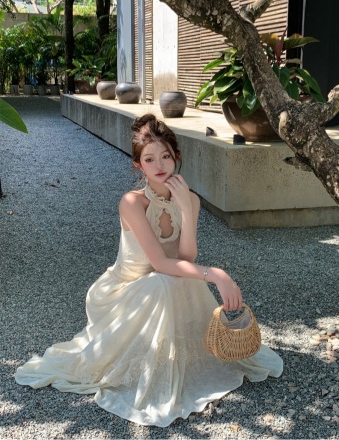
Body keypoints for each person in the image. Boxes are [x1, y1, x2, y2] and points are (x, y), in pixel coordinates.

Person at [15, 113, 283, 427]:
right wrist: (217, 274)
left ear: (177, 158)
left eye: (166, 156)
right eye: (149, 159)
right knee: (171, 279)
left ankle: (182, 358)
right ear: (138, 166)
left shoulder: (190, 201)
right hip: (124, 292)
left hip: (161, 281)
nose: (159, 165)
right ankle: (153, 368)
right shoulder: (131, 202)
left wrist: (185, 208)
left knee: (182, 276)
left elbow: (186, 256)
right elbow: (159, 263)